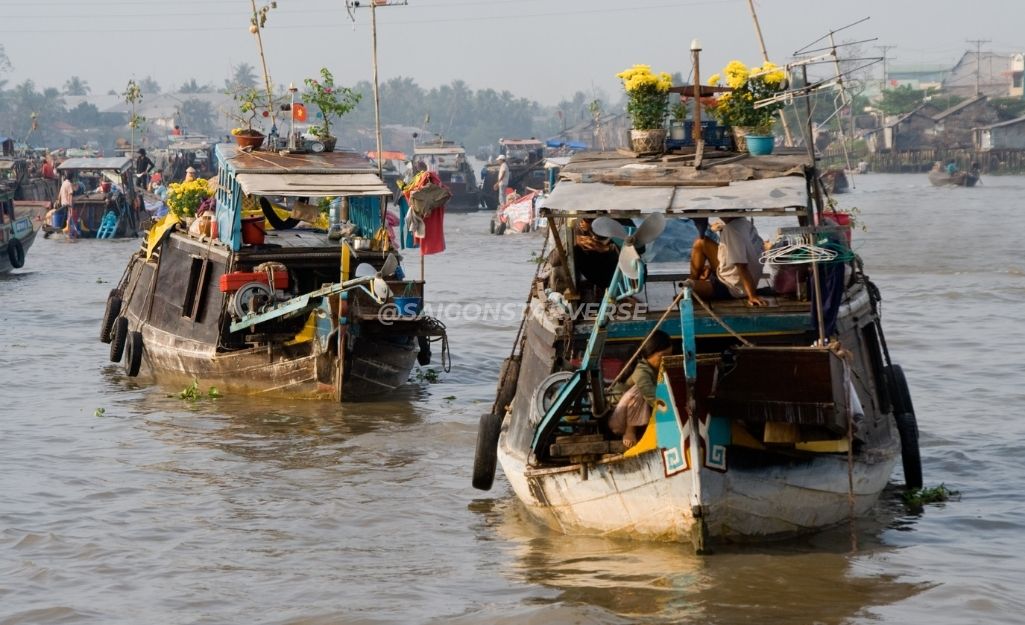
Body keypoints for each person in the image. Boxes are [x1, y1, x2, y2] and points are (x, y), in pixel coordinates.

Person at [609, 330, 674, 448]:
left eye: (669, 356)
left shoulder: (657, 369)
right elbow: (651, 395)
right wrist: (673, 409)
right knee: (638, 392)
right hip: (617, 417)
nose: (665, 360)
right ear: (650, 353)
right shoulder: (641, 371)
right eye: (662, 356)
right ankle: (630, 432)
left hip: (635, 415)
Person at [690, 217, 768, 306]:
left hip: (731, 286)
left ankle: (692, 283)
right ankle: (694, 280)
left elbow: (742, 266)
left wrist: (752, 296)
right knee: (700, 243)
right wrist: (709, 266)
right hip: (734, 275)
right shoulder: (744, 222)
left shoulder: (731, 230)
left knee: (686, 291)